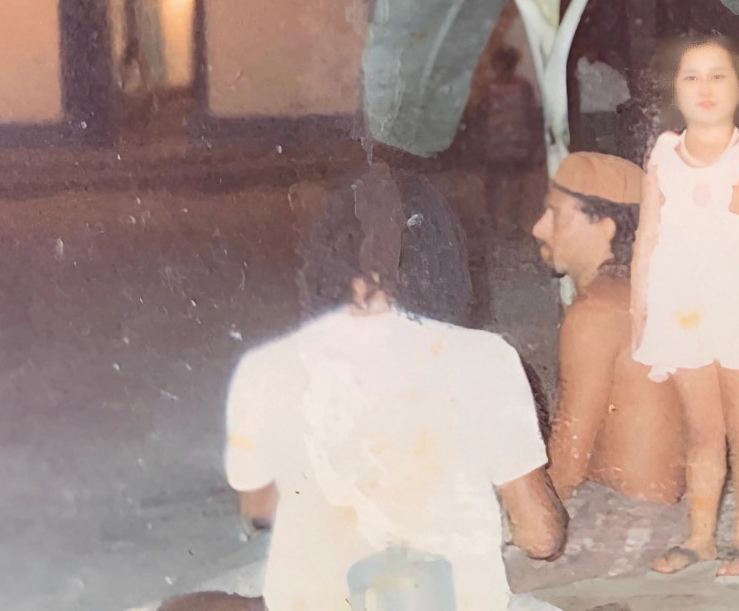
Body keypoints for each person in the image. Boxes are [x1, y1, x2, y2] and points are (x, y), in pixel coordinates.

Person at [161, 163, 565, 611]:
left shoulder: (264, 366)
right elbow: (541, 538)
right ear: (441, 263)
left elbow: (258, 510)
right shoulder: (487, 357)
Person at [630, 32, 739, 582]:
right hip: (682, 312)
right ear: (674, 90)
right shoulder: (662, 160)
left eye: (718, 76)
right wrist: (640, 311)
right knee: (702, 430)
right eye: (691, 77)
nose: (705, 88)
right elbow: (647, 239)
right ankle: (700, 537)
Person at [530, 151, 685, 505]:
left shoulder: (595, 312)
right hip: (668, 509)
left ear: (605, 228)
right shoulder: (650, 293)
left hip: (627, 512)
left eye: (555, 214)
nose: (539, 228)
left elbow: (568, 464)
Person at [476, 46, 544, 240]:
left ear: (511, 66)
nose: (501, 69)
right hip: (494, 147)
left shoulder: (523, 87)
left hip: (518, 148)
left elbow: (532, 117)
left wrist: (534, 147)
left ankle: (515, 225)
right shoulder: (487, 89)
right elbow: (479, 119)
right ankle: (491, 222)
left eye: (505, 65)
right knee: (492, 185)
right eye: (497, 65)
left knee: (517, 187)